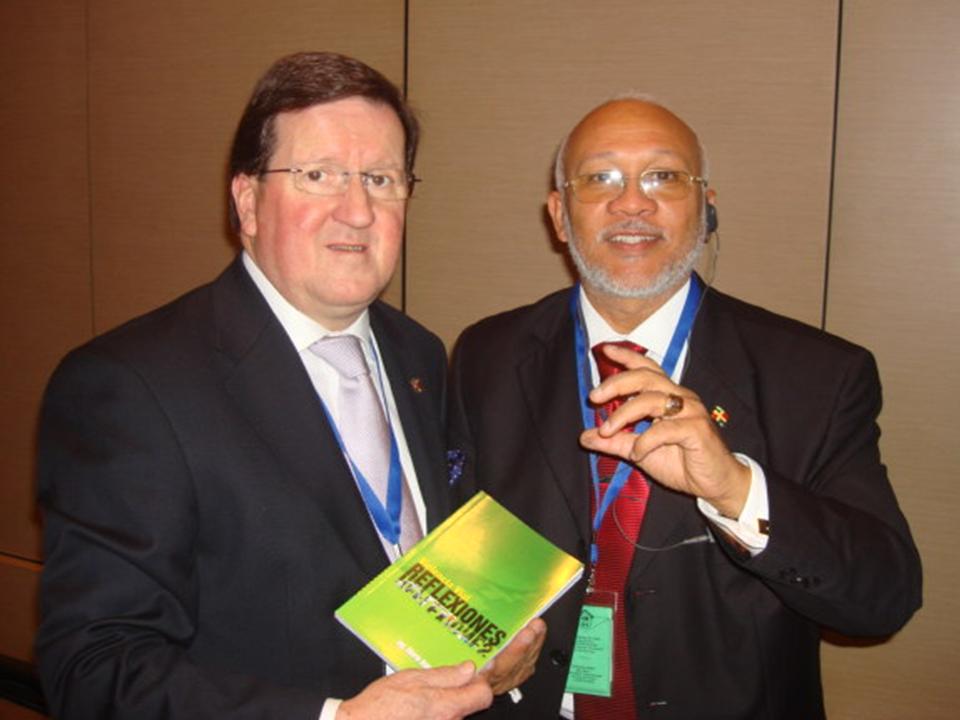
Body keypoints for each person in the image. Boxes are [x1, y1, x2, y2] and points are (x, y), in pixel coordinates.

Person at [36, 51, 542, 720]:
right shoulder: (128, 387)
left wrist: (489, 646)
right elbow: (95, 668)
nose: (357, 211)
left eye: (381, 179)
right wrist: (336, 719)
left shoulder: (417, 352)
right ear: (247, 202)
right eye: (318, 175)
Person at [448, 96, 922, 719]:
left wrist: (735, 488)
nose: (632, 203)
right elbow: (463, 546)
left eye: (663, 176)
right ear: (560, 216)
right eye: (601, 178)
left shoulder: (819, 376)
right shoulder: (487, 353)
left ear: (706, 207)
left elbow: (882, 600)